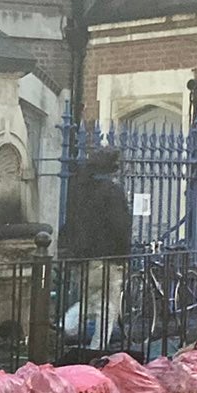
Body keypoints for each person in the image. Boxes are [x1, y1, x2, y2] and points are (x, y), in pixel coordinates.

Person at [60, 146, 132, 351]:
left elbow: (71, 221)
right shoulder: (112, 191)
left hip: (82, 256)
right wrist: (123, 256)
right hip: (107, 258)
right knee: (107, 308)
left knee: (91, 301)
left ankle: (66, 326)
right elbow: (120, 226)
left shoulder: (79, 188)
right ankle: (94, 350)